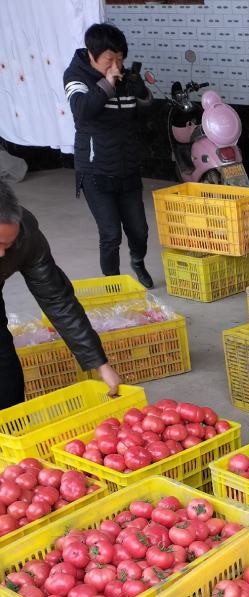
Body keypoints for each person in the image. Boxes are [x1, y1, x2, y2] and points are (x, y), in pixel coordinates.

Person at [0, 180, 121, 409]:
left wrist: (100, 364)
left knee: (5, 371)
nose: (1, 253)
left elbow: (58, 300)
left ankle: (8, 430)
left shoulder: (28, 239)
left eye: (8, 244)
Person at [64, 23, 154, 288]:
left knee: (139, 230)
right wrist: (108, 82)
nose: (116, 65)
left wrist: (144, 94)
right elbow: (82, 111)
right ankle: (112, 284)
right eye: (109, 59)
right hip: (95, 169)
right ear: (92, 56)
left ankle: (137, 261)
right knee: (111, 233)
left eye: (120, 58)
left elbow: (144, 114)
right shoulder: (75, 76)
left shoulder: (126, 76)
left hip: (127, 166)